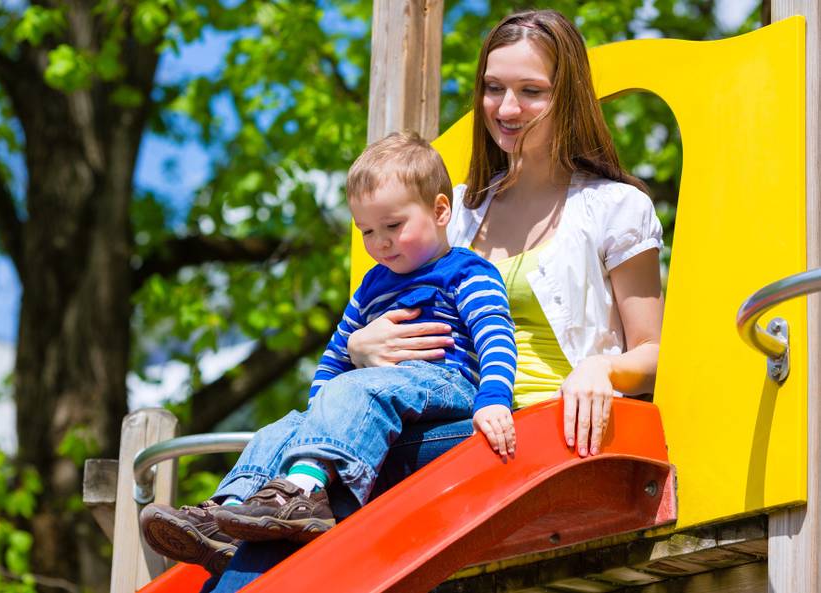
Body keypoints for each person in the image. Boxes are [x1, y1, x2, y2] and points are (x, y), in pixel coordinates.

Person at [206, 7, 664, 591]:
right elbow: (389, 314)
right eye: (493, 88)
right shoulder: (460, 206)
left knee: (317, 464)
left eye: (532, 92)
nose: (506, 108)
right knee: (300, 453)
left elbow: (655, 351)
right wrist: (361, 348)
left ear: (568, 96)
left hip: (530, 425)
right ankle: (227, 525)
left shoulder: (613, 208)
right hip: (441, 412)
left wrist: (602, 366)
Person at [139, 130, 518, 573]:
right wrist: (316, 411)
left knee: (356, 391)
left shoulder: (465, 271)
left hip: (444, 385)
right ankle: (227, 512)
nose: (380, 243)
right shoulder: (373, 284)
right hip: (380, 389)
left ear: (439, 211)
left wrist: (494, 399)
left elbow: (495, 333)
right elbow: (338, 351)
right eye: (367, 232)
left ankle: (302, 495)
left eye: (393, 226)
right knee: (283, 426)